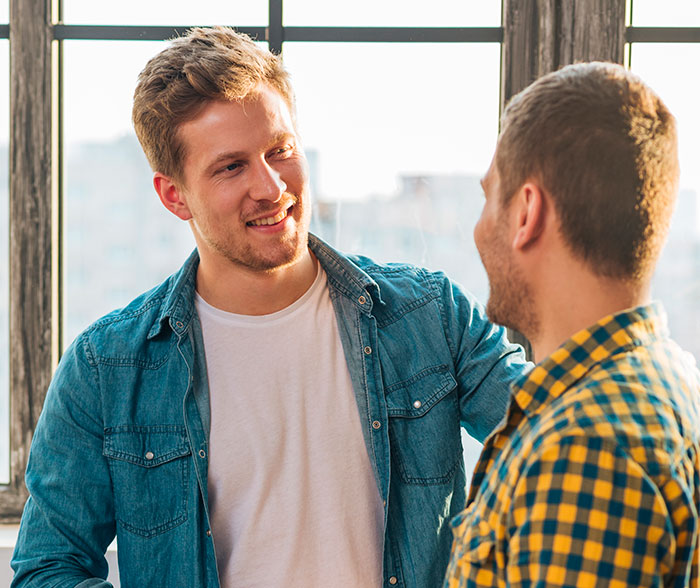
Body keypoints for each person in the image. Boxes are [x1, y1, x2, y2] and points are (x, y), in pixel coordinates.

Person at [11, 27, 528, 588]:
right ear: (173, 195)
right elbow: (47, 568)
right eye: (231, 167)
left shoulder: (431, 317)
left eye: (280, 150)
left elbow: (562, 437)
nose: (271, 186)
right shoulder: (105, 368)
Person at [444, 61, 700, 587]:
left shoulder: (582, 453)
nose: (478, 227)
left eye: (490, 197)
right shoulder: (667, 374)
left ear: (526, 213)